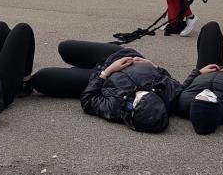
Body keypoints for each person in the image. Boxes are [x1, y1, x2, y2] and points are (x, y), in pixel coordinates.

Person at [31, 41, 182, 133]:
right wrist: (152, 65)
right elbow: (173, 81)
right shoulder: (168, 94)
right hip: (120, 56)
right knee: (65, 47)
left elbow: (88, 100)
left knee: (40, 78)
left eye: (134, 100)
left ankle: (81, 71)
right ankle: (83, 67)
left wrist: (106, 72)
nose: (136, 95)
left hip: (100, 78)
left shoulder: (116, 108)